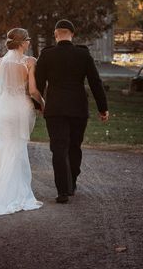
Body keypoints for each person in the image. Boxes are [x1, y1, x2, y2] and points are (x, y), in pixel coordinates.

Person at [35, 19, 109, 203]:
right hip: (78, 108)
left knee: (58, 148)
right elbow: (95, 82)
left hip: (55, 109)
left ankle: (62, 191)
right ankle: (72, 183)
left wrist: (38, 106)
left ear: (56, 34)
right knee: (74, 146)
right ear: (72, 34)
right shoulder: (83, 55)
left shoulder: (47, 55)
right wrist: (103, 108)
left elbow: (38, 83)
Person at [0, 28, 45, 215]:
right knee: (18, 149)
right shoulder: (30, 61)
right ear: (23, 43)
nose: (30, 42)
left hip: (5, 109)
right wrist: (43, 102)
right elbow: (32, 91)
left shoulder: (0, 62)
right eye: (28, 40)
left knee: (6, 148)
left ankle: (3, 194)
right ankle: (16, 195)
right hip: (20, 109)